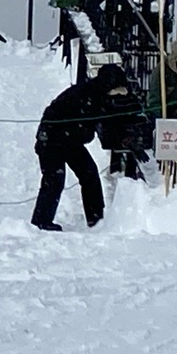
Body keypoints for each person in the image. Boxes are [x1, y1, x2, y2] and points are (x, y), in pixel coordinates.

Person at [30, 63, 129, 231]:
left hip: (71, 141)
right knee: (54, 180)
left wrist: (123, 138)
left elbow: (109, 123)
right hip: (51, 140)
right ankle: (41, 221)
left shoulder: (101, 96)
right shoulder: (83, 94)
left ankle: (96, 219)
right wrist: (46, 137)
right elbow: (53, 114)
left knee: (89, 174)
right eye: (116, 91)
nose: (117, 95)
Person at [95, 64, 152, 180]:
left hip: (116, 132)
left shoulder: (103, 98)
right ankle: (126, 173)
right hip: (122, 132)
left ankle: (119, 170)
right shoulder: (124, 95)